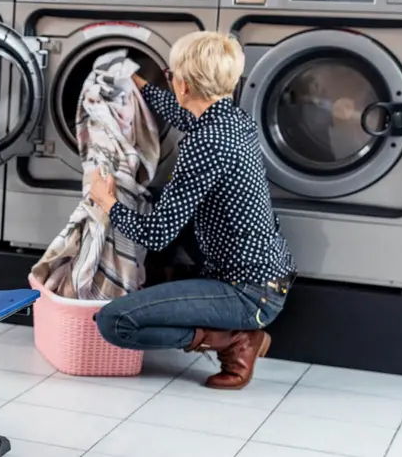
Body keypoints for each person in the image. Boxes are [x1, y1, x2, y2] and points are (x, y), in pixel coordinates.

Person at [87, 31, 296, 391]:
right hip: (266, 275)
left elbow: (157, 235)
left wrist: (108, 203)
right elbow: (179, 112)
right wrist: (136, 81)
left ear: (182, 85)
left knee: (113, 321)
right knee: (161, 200)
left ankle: (234, 339)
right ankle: (174, 301)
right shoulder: (232, 119)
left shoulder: (204, 144)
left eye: (170, 76)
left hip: (247, 292)